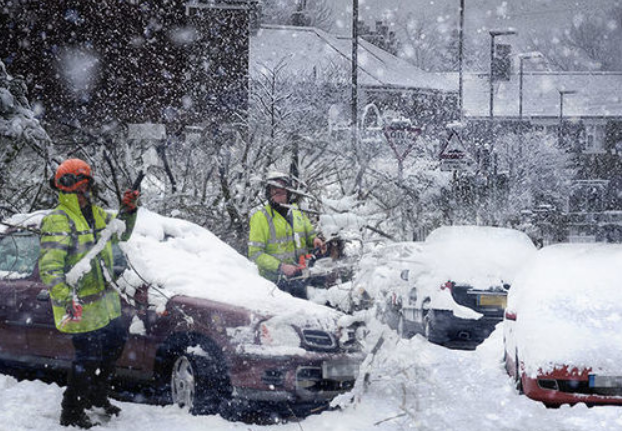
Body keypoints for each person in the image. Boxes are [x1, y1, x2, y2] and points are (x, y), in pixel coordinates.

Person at [39, 159, 139, 429]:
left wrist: (128, 210)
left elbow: (122, 233)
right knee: (88, 358)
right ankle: (71, 410)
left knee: (112, 349)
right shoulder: (58, 220)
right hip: (80, 305)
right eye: (80, 186)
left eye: (87, 185)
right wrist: (65, 297)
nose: (85, 191)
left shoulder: (97, 214)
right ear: (67, 187)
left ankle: (97, 397)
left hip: (106, 303)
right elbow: (50, 267)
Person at [248, 171, 324, 299]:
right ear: (268, 193)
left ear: (288, 193)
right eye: (275, 191)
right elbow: (255, 254)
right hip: (275, 284)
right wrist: (280, 267)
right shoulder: (260, 218)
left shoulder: (297, 212)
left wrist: (315, 240)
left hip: (301, 276)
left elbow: (310, 235)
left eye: (282, 191)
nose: (279, 194)